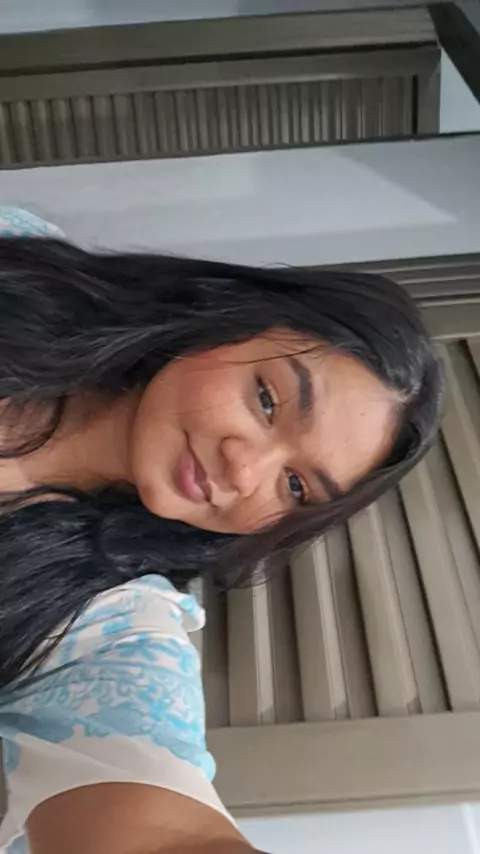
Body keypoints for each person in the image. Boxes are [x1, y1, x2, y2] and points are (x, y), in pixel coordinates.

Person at [0, 209, 443, 854]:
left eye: (295, 487)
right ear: (223, 319)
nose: (244, 469)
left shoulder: (108, 625)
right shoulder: (21, 264)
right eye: (266, 399)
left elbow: (164, 826)